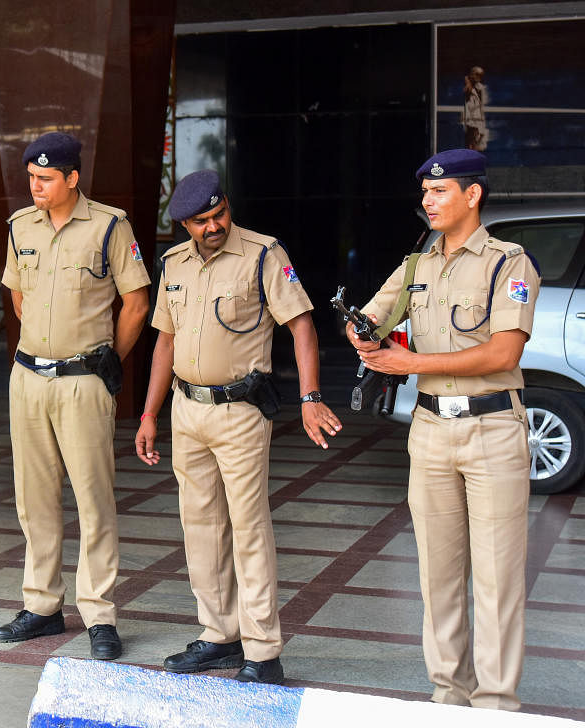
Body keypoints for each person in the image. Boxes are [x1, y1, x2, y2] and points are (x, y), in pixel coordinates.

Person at [346, 149, 539, 710]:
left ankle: (496, 704)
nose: (427, 201)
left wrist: (412, 365)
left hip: (493, 430)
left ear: (471, 195)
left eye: (439, 192)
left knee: (498, 576)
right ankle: (448, 696)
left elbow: (503, 351)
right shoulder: (417, 266)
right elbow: (374, 315)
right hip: (430, 433)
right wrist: (363, 333)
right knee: (437, 572)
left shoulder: (509, 263)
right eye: (425, 193)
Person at [134, 170, 343, 684]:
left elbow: (301, 326)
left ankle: (263, 650)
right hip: (188, 411)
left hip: (241, 412)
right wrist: (148, 413)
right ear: (184, 223)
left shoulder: (263, 253)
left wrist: (310, 396)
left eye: (219, 213)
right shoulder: (173, 263)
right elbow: (164, 342)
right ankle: (218, 636)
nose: (214, 226)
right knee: (200, 529)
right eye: (202, 221)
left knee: (249, 530)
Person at [0, 132, 150, 661]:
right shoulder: (20, 227)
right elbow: (16, 292)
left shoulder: (109, 226)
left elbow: (136, 302)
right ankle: (41, 606)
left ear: (73, 179)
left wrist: (111, 358)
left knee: (93, 499)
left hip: (84, 381)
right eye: (31, 178)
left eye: (45, 179)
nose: (35, 186)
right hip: (28, 378)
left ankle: (99, 614)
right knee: (33, 498)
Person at [462, 66, 489, 151]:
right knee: (470, 142)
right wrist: (467, 80)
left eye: (480, 75)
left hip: (478, 120)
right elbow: (468, 91)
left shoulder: (481, 88)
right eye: (475, 74)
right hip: (471, 121)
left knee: (477, 142)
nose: (477, 77)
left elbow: (482, 104)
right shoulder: (468, 88)